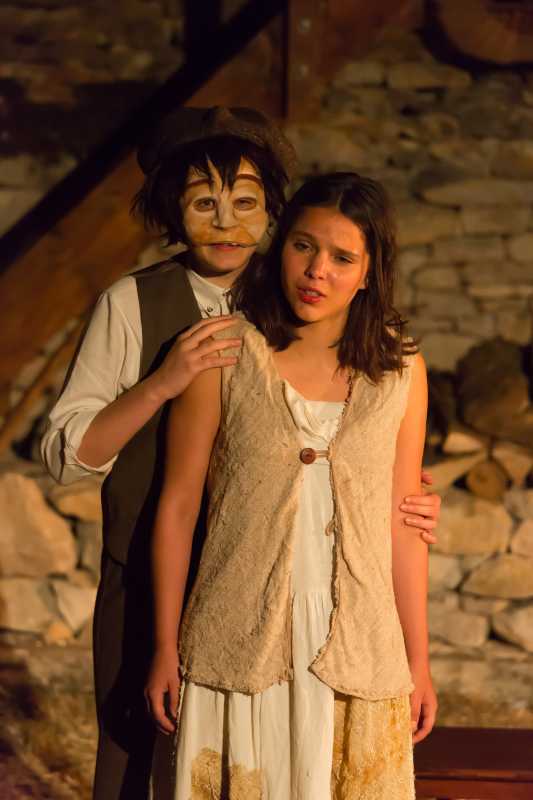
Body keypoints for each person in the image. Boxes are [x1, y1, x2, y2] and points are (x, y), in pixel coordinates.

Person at [41, 107, 439, 799]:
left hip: (315, 594)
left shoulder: (317, 301)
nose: (225, 223)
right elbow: (74, 457)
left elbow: (372, 474)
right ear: (173, 209)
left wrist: (399, 499)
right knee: (133, 762)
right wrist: (163, 382)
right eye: (204, 204)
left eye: (245, 204)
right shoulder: (145, 307)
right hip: (166, 575)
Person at [146, 171, 437, 799]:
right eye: (304, 246)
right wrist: (165, 645)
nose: (316, 271)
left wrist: (418, 660)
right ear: (281, 246)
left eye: (342, 258)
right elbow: (179, 506)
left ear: (370, 272)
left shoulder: (401, 369)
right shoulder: (225, 351)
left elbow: (404, 521)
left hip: (359, 645)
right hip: (237, 636)